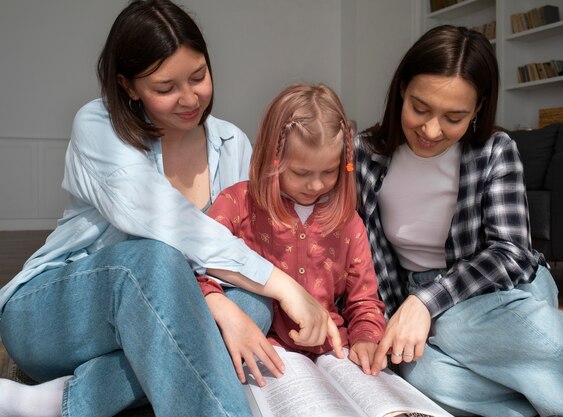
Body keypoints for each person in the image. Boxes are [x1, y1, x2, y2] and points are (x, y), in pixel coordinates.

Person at [0, 2, 340, 417]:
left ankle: (52, 402)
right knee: (154, 263)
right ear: (128, 86)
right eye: (165, 88)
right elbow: (167, 227)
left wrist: (234, 303)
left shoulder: (231, 143)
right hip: (53, 315)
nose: (189, 98)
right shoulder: (98, 125)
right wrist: (284, 286)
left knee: (252, 307)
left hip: (157, 317)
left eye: (198, 77)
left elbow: (236, 248)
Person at [356, 25, 563, 417]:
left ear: (478, 108)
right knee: (416, 372)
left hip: (504, 293)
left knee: (452, 325)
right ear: (401, 89)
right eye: (419, 108)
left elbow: (511, 254)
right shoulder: (367, 155)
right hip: (416, 298)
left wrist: (426, 302)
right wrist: (398, 310)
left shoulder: (495, 150)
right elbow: (367, 257)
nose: (430, 130)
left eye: (453, 117)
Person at [205, 83, 387, 375]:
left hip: (333, 353)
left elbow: (364, 300)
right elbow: (196, 265)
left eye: (329, 172)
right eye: (301, 173)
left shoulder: (348, 222)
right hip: (263, 351)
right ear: (272, 158)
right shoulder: (237, 203)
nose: (316, 185)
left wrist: (367, 337)